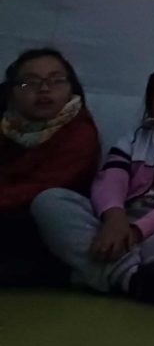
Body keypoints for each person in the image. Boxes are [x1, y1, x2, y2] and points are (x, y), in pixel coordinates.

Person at [32, 63, 154, 305]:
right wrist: (114, 220)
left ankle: (88, 272)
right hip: (117, 224)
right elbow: (110, 180)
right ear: (151, 107)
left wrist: (135, 231)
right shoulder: (134, 138)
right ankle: (131, 277)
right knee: (49, 200)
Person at [0, 47, 101, 286]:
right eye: (30, 82)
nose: (44, 89)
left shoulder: (80, 132)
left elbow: (35, 190)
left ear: (71, 88)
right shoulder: (7, 125)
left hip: (43, 222)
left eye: (56, 81)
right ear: (12, 92)